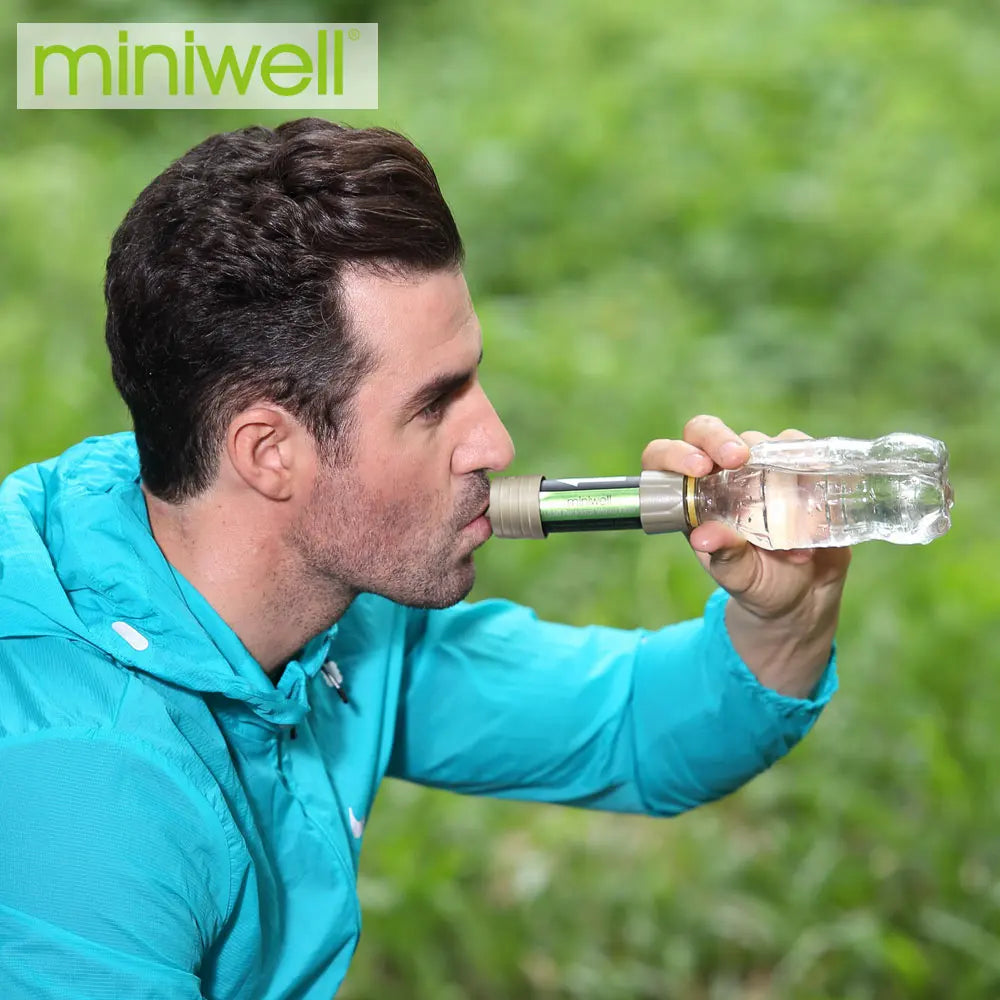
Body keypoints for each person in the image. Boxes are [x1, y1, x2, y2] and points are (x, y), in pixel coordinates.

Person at [0, 118, 850, 999]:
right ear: (268, 453)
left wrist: (788, 612)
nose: (496, 443)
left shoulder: (321, 607)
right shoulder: (80, 796)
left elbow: (633, 730)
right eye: (435, 404)